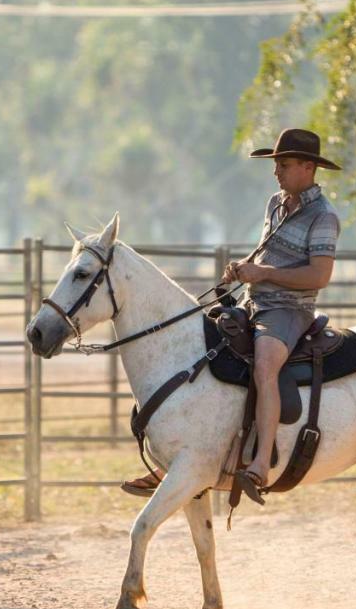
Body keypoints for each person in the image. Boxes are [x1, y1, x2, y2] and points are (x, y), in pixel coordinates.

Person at [120, 128, 341, 499]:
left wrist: (265, 274)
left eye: (283, 164)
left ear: (308, 167)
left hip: (290, 310)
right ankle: (187, 458)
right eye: (275, 164)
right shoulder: (277, 202)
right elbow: (266, 251)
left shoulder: (324, 216)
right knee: (208, 353)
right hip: (255, 302)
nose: (276, 171)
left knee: (266, 364)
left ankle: (258, 465)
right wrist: (245, 266)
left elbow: (320, 275)